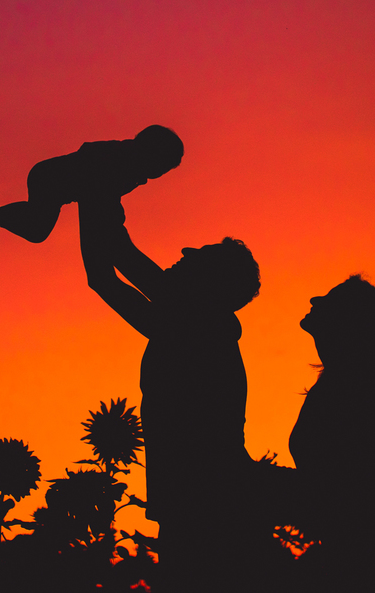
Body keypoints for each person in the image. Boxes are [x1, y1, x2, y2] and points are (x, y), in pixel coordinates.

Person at [79, 198, 261, 591]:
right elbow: (114, 263)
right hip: (200, 503)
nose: (185, 251)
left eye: (199, 257)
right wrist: (98, 199)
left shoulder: (195, 329)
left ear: (208, 284)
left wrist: (96, 195)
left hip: (202, 506)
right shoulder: (196, 320)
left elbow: (110, 269)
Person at [285, 274, 375, 581]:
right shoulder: (342, 386)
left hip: (365, 560)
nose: (315, 301)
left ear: (347, 324)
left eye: (329, 299)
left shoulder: (347, 392)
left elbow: (340, 490)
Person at [0, 125, 183, 246]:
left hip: (55, 182)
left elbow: (108, 195)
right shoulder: (121, 156)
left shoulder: (132, 169)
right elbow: (102, 181)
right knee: (37, 228)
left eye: (164, 170)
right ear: (149, 153)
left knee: (36, 227)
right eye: (161, 165)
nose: (159, 173)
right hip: (50, 177)